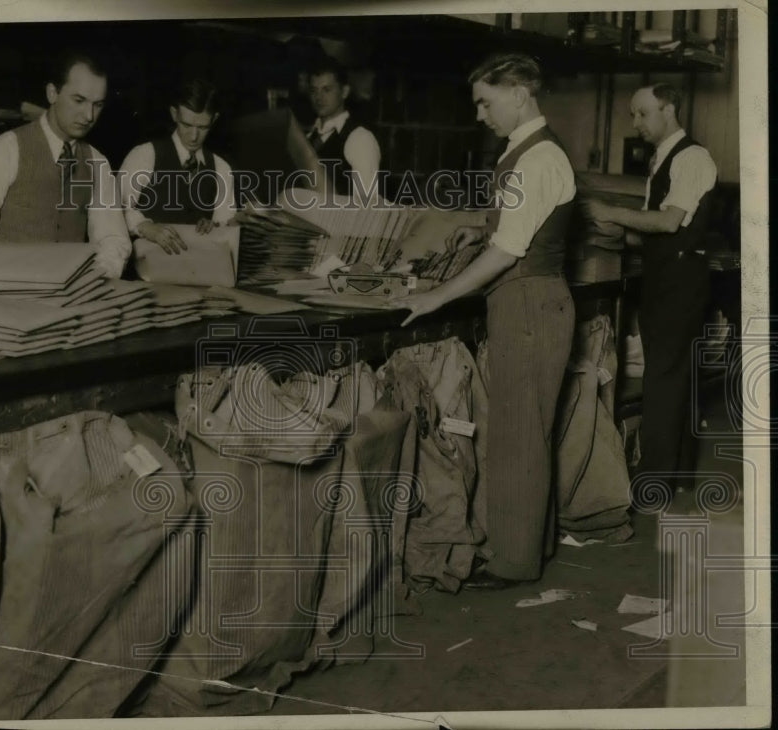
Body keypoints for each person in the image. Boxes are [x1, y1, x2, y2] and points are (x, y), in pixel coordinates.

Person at [393, 54, 576, 590]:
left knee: (520, 436)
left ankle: (514, 565)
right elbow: (513, 232)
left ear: (519, 93)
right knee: (527, 433)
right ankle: (528, 549)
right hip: (527, 301)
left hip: (530, 305)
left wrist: (437, 298)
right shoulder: (523, 152)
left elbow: (508, 251)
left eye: (485, 101)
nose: (479, 113)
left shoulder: (537, 159)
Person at [584, 83, 716, 496]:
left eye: (642, 113)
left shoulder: (692, 157)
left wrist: (609, 212)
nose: (635, 123)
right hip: (665, 279)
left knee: (664, 378)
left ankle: (656, 482)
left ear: (669, 108)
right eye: (632, 114)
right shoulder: (663, 158)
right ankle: (675, 477)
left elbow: (668, 222)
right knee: (671, 376)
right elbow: (652, 231)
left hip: (680, 282)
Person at [0, 50, 131, 278]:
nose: (89, 115)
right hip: (7, 293)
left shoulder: (97, 163)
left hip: (69, 298)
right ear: (52, 93)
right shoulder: (2, 151)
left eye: (97, 105)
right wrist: (23, 273)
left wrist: (95, 274)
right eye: (78, 100)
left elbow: (113, 238)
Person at [117, 78, 236, 254]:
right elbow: (114, 212)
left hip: (199, 271)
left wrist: (216, 227)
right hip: (146, 272)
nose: (194, 136)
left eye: (203, 127)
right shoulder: (144, 155)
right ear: (174, 114)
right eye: (187, 125)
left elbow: (227, 230)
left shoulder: (222, 169)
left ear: (214, 119)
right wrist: (143, 226)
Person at [306, 57, 381, 201]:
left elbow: (367, 206)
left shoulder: (359, 138)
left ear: (344, 92)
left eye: (327, 90)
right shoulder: (308, 138)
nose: (318, 97)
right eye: (314, 90)